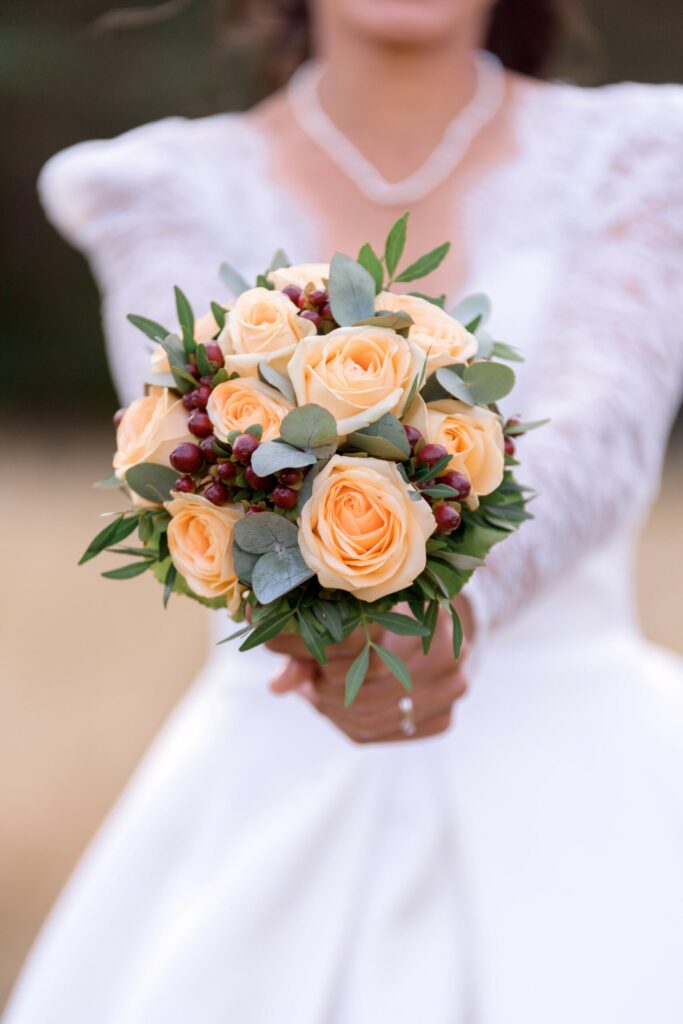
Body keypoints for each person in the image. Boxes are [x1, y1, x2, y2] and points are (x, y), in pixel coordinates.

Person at [6, 0, 683, 1020]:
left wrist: (445, 618)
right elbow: (192, 460)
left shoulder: (639, 153)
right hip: (272, 766)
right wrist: (341, 652)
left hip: (587, 782)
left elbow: (599, 435)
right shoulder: (156, 188)